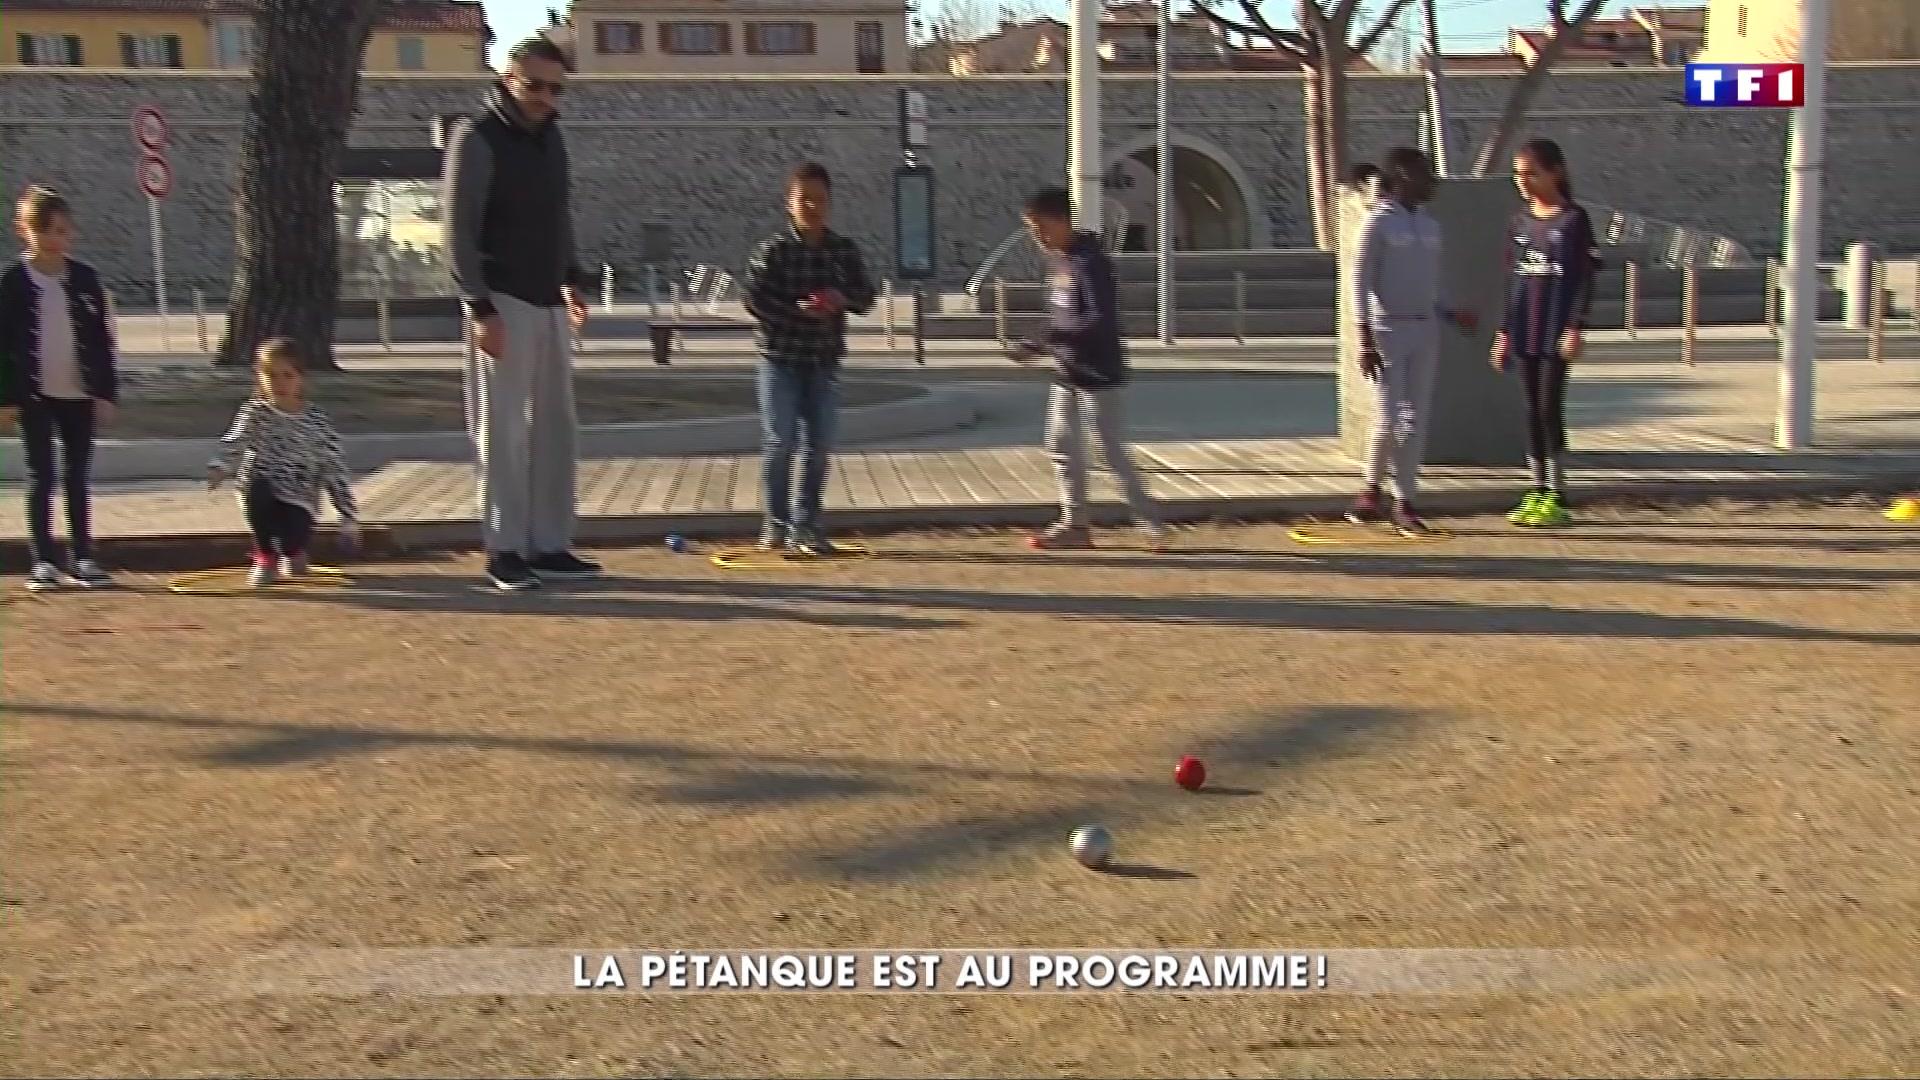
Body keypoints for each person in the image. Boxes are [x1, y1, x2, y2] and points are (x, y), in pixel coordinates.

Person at [443, 36, 596, 592]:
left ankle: (549, 543)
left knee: (556, 426)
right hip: (502, 298)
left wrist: (573, 277)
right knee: (503, 429)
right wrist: (480, 307)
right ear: (507, 79)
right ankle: (504, 547)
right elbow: (457, 231)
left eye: (556, 88)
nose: (544, 97)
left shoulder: (551, 140)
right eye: (534, 85)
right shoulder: (476, 138)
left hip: (549, 298)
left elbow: (560, 214)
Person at [1013, 187, 1166, 551]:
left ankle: (1150, 523)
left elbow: (1098, 319)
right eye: (1032, 229)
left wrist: (1048, 338)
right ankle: (1075, 524)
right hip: (1068, 370)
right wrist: (1042, 339)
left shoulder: (1090, 262)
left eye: (1042, 226)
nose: (1038, 236)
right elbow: (1061, 313)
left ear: (1063, 220)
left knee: (1109, 450)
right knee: (1061, 443)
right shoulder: (1061, 261)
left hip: (1099, 371)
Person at [742, 161, 876, 555]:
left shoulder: (843, 252)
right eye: (805, 200)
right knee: (780, 440)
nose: (812, 208)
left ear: (830, 204)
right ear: (789, 203)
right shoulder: (773, 252)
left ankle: (808, 522)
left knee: (820, 444)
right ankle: (776, 522)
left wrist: (841, 299)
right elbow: (754, 299)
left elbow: (866, 297)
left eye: (820, 200)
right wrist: (797, 311)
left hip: (824, 359)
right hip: (780, 358)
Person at [1345, 148, 1478, 537]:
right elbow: (1360, 283)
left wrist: (1451, 314)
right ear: (1402, 176)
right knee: (1388, 418)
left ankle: (1404, 501)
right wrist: (1365, 338)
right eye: (1425, 174)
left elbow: (1427, 286)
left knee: (1414, 420)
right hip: (1386, 331)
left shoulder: (1431, 225)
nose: (1432, 182)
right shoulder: (1376, 224)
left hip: (1425, 330)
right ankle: (1371, 487)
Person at [0, 185, 117, 591]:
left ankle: (83, 556)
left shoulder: (85, 279)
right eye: (46, 230)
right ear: (25, 231)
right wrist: (6, 398)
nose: (55, 239)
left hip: (78, 392)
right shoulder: (12, 282)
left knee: (76, 477)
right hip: (34, 394)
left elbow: (102, 338)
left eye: (63, 230)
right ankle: (43, 560)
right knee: (42, 475)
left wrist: (105, 390)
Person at [1493, 137, 1599, 529]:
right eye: (1518, 174)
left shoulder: (1574, 220)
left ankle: (1557, 491)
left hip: (1555, 329)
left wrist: (1576, 326)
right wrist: (1503, 332)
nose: (1523, 181)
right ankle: (1535, 488)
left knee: (1548, 407)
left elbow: (1585, 279)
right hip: (1524, 331)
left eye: (1531, 173)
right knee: (1528, 411)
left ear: (1555, 172)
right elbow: (1511, 280)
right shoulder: (1518, 221)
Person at [207, 337, 361, 587]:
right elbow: (235, 440)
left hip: (301, 491)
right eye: (272, 375)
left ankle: (293, 552)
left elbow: (333, 464)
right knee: (259, 496)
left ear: (300, 377)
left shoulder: (316, 419)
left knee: (293, 537)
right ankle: (265, 557)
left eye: (287, 375)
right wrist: (220, 466)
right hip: (260, 483)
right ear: (260, 376)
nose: (279, 383)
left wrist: (347, 515)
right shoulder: (254, 412)